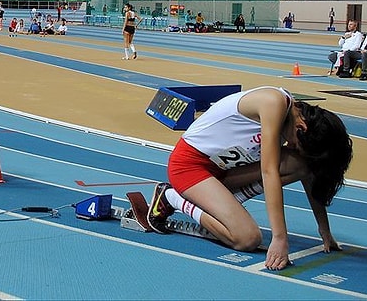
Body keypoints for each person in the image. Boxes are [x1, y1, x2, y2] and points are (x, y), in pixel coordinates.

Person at [146, 86, 352, 271]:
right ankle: (172, 197)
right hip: (190, 168)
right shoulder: (273, 103)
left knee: (304, 164)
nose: (292, 148)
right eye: (296, 145)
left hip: (223, 171)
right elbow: (268, 171)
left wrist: (324, 230)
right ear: (301, 129)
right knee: (247, 238)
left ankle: (227, 203)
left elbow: (309, 176)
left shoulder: (295, 122)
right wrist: (280, 238)